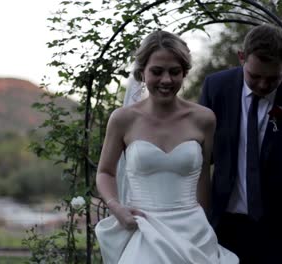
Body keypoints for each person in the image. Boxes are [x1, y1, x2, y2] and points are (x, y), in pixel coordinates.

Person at [95, 30, 238, 264]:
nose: (166, 80)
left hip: (193, 232)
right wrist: (116, 208)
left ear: (184, 73)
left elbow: (203, 177)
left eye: (174, 72)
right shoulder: (123, 119)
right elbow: (105, 172)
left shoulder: (204, 119)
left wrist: (205, 227)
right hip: (144, 229)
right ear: (142, 72)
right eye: (157, 71)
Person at [199, 24, 282, 264]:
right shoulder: (216, 88)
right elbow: (199, 158)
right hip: (225, 230)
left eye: (273, 78)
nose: (263, 85)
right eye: (255, 76)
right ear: (241, 57)